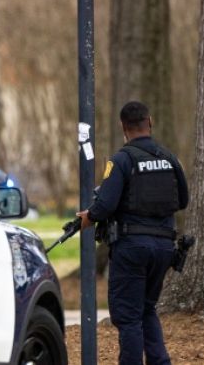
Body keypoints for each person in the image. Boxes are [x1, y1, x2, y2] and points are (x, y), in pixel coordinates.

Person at [77, 101, 188, 365]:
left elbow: (104, 205)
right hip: (163, 249)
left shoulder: (121, 161)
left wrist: (87, 218)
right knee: (147, 309)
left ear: (122, 127)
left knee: (128, 317)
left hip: (132, 249)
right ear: (149, 122)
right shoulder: (170, 158)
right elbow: (183, 200)